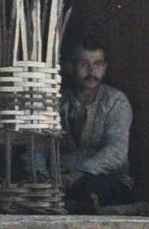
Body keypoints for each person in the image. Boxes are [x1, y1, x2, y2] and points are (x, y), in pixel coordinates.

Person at [57, 32, 134, 213]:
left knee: (89, 189)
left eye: (98, 64)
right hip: (64, 178)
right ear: (70, 67)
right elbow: (41, 148)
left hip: (105, 179)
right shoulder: (58, 102)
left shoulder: (115, 101)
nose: (92, 72)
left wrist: (80, 173)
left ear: (105, 68)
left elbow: (117, 154)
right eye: (84, 64)